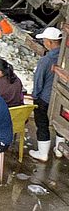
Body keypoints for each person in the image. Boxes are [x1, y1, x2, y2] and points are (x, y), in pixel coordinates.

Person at [35, 28, 61, 159]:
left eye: (44, 41)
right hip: (60, 98)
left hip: (45, 98)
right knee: (61, 123)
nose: (44, 43)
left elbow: (38, 82)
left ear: (50, 42)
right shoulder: (65, 58)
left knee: (42, 123)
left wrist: (35, 96)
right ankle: (59, 150)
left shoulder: (45, 60)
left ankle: (42, 153)